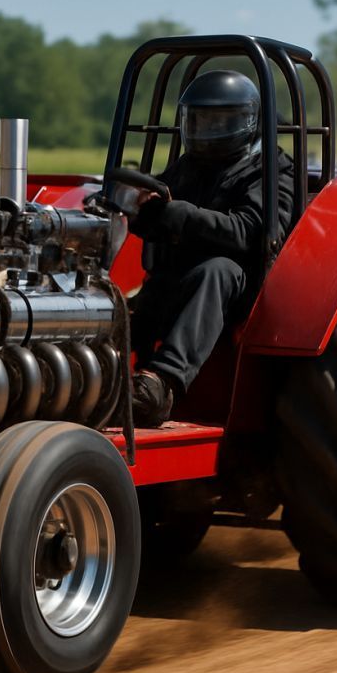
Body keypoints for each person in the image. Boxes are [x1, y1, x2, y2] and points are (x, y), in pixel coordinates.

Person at [127, 70, 296, 427]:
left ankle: (162, 384)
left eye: (220, 121)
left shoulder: (272, 170)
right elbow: (163, 209)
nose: (207, 130)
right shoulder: (188, 167)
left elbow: (250, 232)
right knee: (148, 286)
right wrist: (140, 210)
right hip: (181, 275)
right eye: (200, 120)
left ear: (249, 122)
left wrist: (178, 214)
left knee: (216, 269)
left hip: (245, 285)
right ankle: (103, 370)